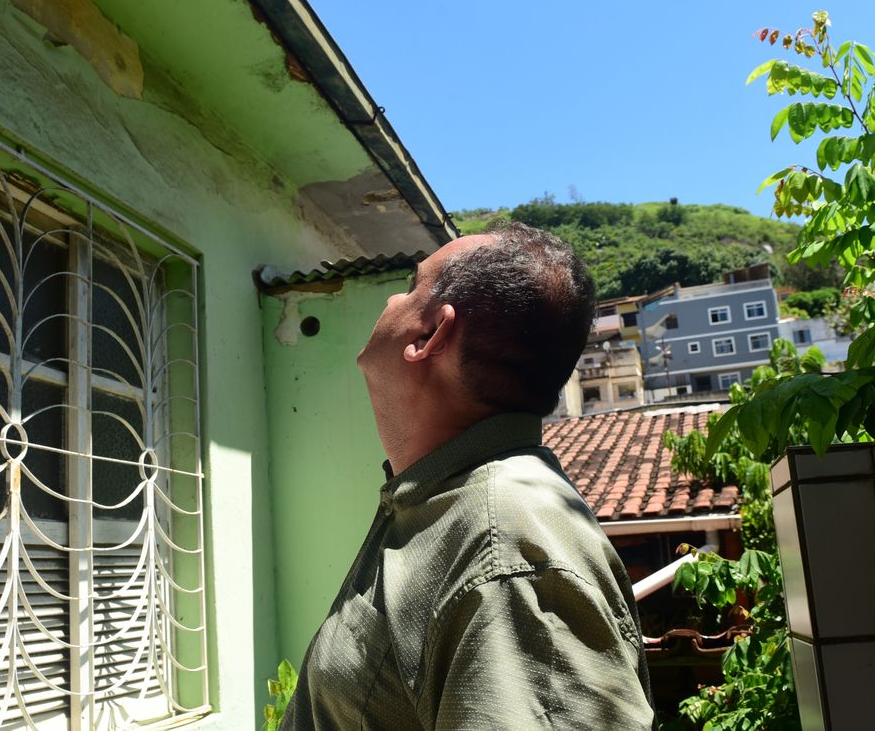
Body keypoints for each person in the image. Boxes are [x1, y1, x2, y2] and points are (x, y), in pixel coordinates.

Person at [280, 222, 654, 730]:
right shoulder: (446, 505)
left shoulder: (507, 551)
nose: (391, 299)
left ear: (429, 334)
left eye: (411, 286)